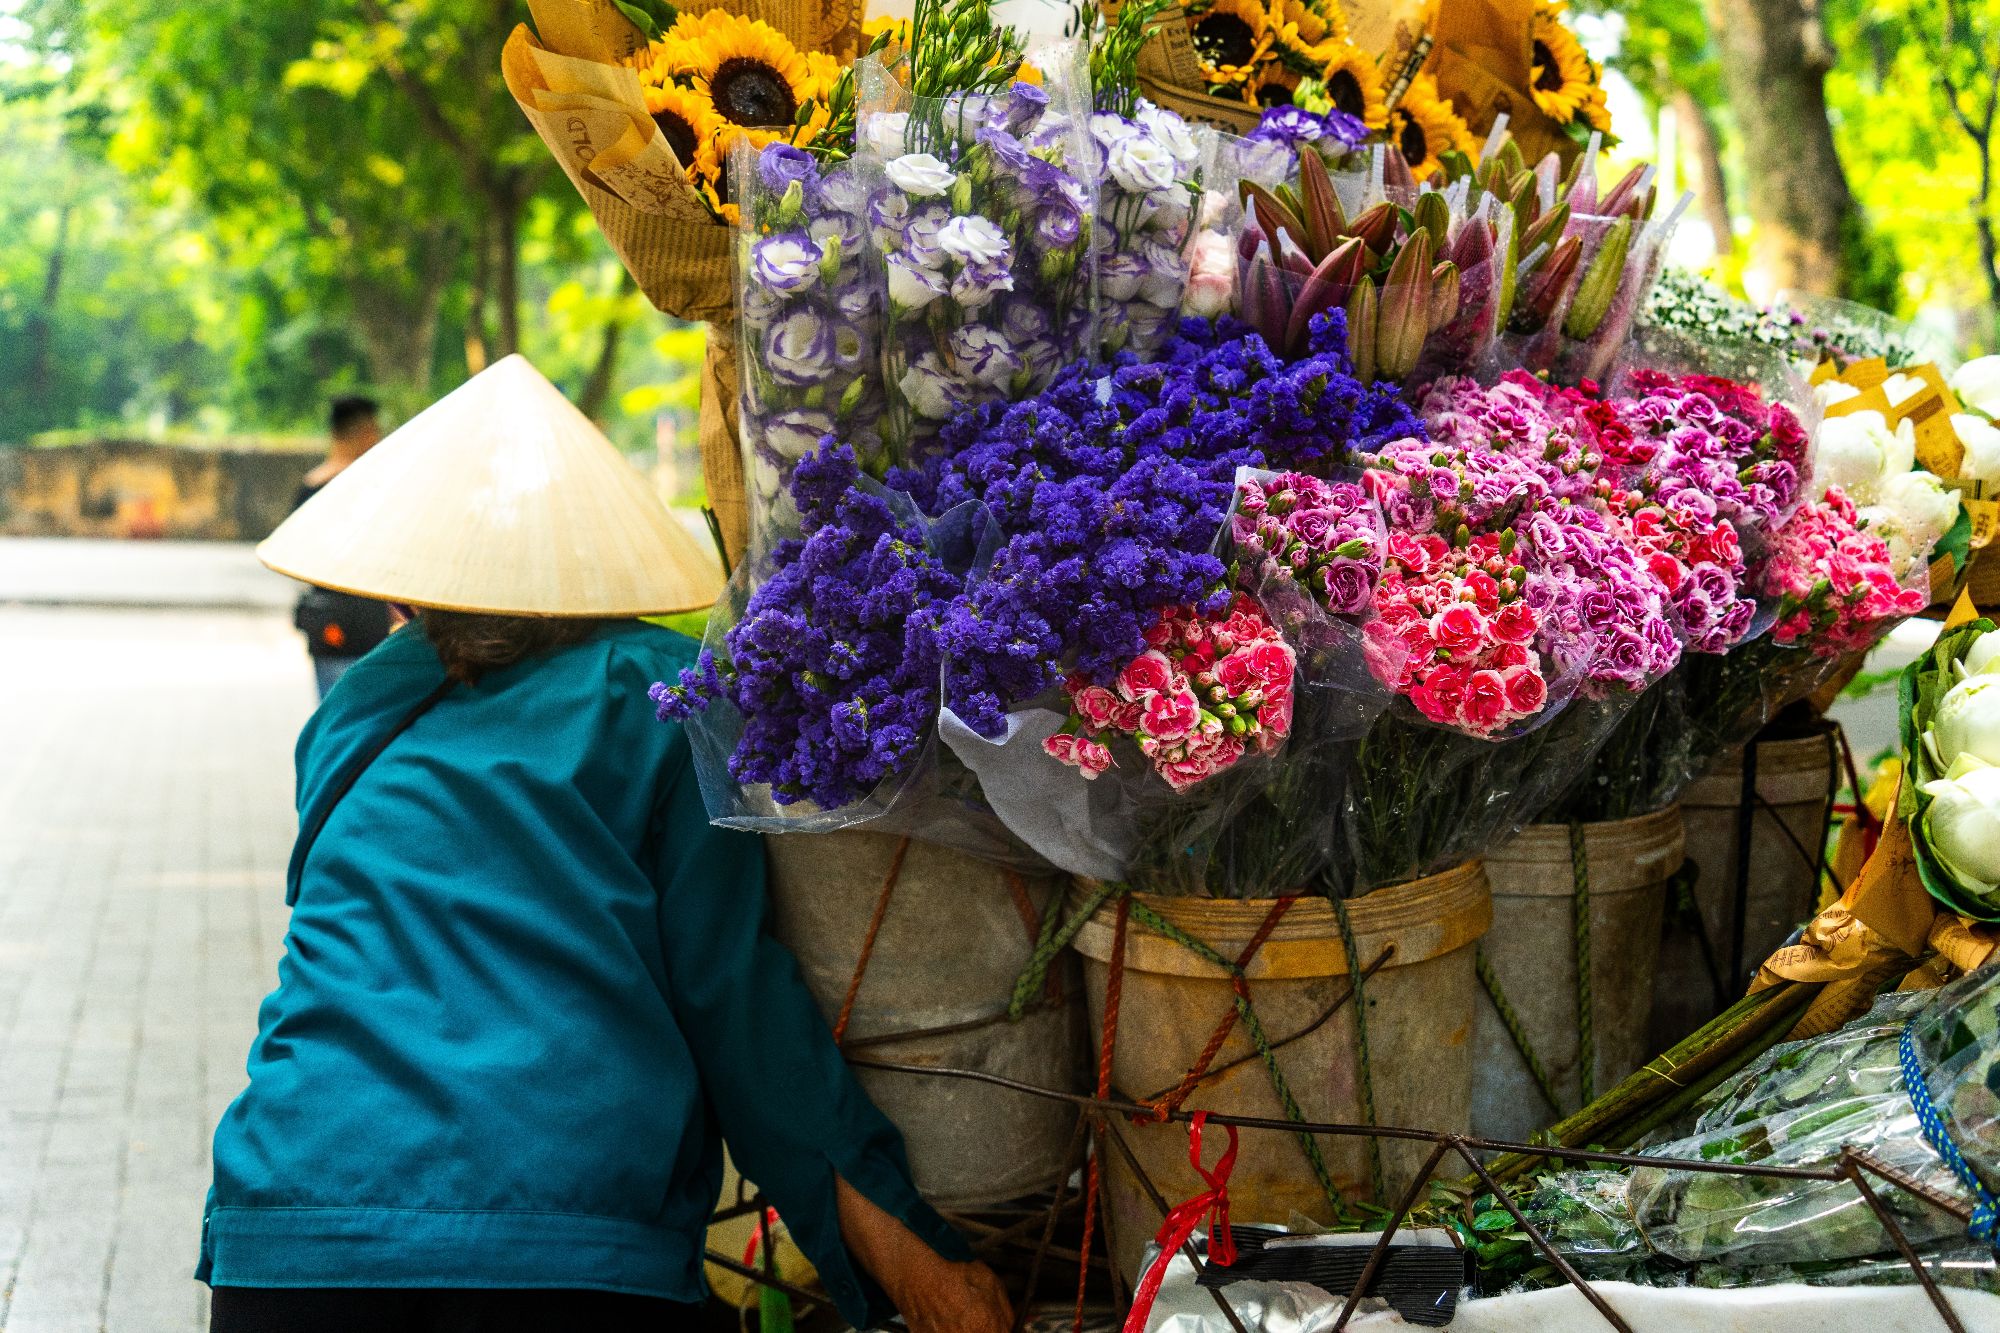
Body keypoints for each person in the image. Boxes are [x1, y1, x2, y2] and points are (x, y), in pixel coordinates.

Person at [202, 356, 1013, 1333]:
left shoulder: (350, 716)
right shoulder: (662, 691)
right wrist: (918, 1263)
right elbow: (735, 1009)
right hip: (562, 1243)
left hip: (292, 1225)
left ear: (405, 589)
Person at [292, 395, 392, 699]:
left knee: (332, 719)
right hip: (367, 622)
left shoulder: (308, 489)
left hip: (325, 622)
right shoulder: (370, 488)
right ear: (365, 433)